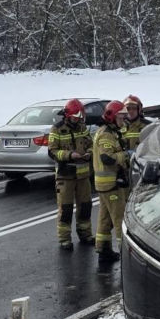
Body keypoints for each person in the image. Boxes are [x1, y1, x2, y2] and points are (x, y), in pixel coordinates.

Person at [47, 98, 93, 250]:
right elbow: (52, 152)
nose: (77, 120)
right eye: (75, 117)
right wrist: (69, 155)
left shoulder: (82, 127)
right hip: (65, 176)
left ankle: (85, 234)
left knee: (85, 206)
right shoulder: (57, 129)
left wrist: (89, 153)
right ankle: (64, 239)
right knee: (66, 209)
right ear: (68, 115)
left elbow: (91, 144)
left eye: (79, 117)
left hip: (83, 176)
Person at [92, 100, 130, 263]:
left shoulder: (111, 131)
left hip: (105, 184)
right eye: (121, 116)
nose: (124, 119)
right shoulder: (106, 134)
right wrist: (126, 155)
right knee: (120, 219)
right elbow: (107, 158)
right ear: (113, 116)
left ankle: (103, 250)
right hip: (111, 183)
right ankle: (126, 256)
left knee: (105, 218)